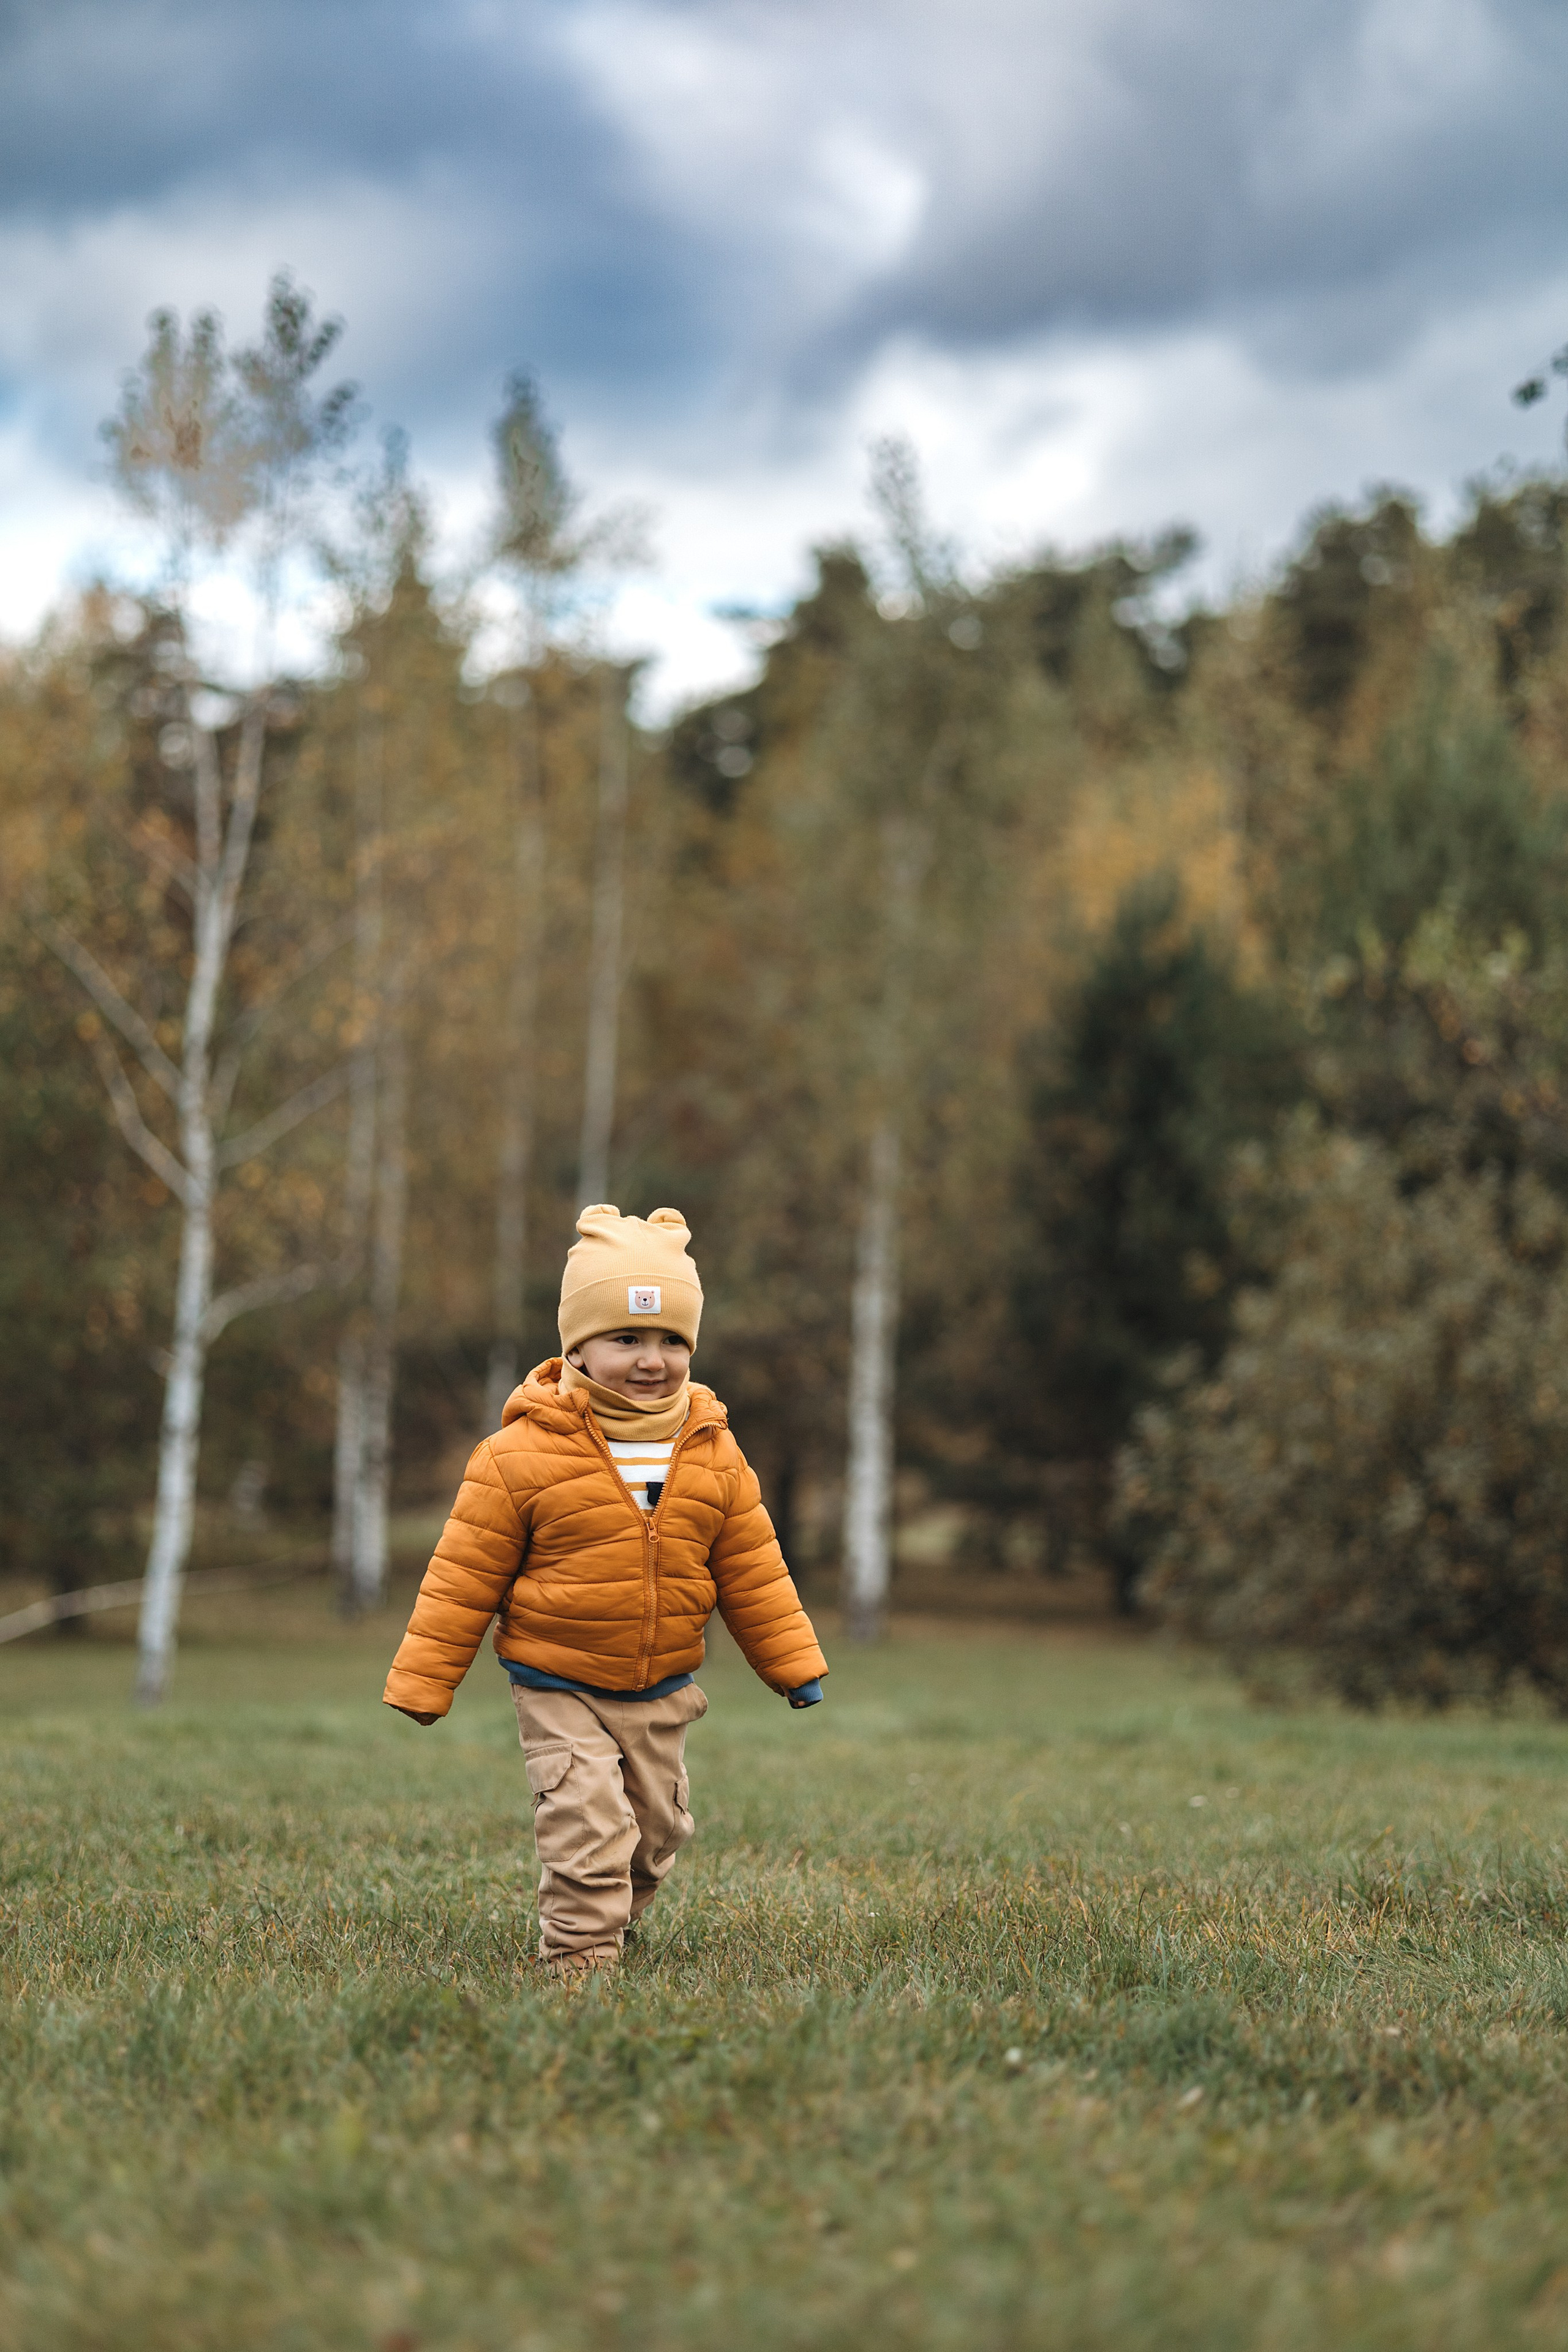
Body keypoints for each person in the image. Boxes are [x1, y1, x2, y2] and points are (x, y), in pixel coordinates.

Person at [383, 1204, 827, 1979]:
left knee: (655, 1832)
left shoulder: (714, 1451)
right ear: (577, 1347)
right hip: (557, 1679)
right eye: (626, 1338)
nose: (650, 1359)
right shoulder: (517, 1454)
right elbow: (462, 1574)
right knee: (587, 1821)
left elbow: (754, 1569)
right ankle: (580, 1958)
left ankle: (613, 1914)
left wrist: (793, 1666)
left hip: (662, 1686)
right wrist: (426, 1678)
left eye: (670, 1340)